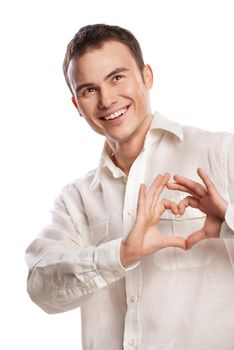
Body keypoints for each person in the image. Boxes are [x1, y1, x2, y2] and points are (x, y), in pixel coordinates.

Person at [25, 24, 234, 349]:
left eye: (117, 77)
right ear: (76, 105)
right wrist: (121, 254)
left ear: (146, 76)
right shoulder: (75, 199)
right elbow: (41, 289)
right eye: (88, 90)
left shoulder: (221, 155)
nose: (107, 100)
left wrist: (230, 222)